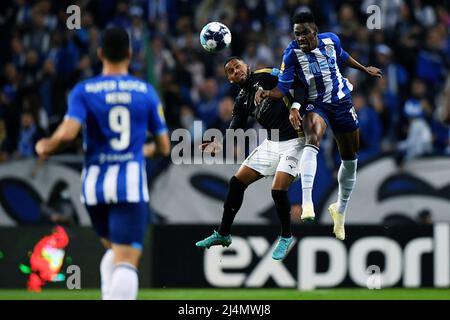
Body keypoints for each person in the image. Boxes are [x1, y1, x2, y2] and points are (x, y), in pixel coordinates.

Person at [35, 27, 170, 300]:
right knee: (126, 261)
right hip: (128, 185)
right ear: (130, 54)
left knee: (114, 253)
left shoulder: (84, 91)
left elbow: (68, 133)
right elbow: (164, 147)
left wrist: (45, 145)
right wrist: (138, 150)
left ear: (100, 54)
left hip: (94, 186)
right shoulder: (145, 92)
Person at [255, 11, 382, 240]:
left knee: (351, 160)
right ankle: (307, 203)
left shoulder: (331, 40)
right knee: (311, 141)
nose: (300, 38)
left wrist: (364, 69)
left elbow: (342, 56)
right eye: (296, 34)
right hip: (316, 105)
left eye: (304, 33)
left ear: (315, 31)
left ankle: (340, 211)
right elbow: (283, 88)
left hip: (341, 102)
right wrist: (267, 93)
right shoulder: (291, 53)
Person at [195, 57, 306, 261]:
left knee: (277, 189)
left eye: (238, 66)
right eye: (231, 71)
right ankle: (223, 233)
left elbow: (297, 82)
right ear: (229, 79)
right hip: (272, 144)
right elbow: (235, 127)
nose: (236, 71)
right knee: (236, 182)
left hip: (295, 141)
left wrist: (295, 107)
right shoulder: (242, 99)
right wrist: (220, 144)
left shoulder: (266, 75)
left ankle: (286, 235)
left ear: (247, 66)